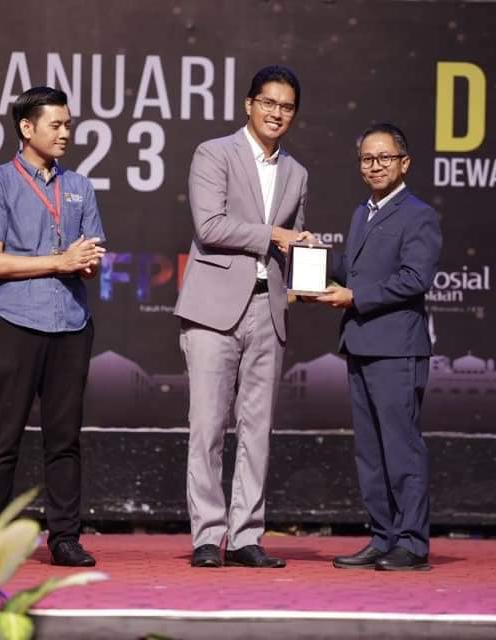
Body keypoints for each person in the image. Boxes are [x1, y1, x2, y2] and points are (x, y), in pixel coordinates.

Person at [174, 65, 312, 568]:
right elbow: (209, 226)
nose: (277, 113)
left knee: (257, 430)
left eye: (287, 107)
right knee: (208, 426)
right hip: (213, 309)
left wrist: (307, 262)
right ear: (249, 104)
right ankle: (208, 536)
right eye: (268, 103)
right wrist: (275, 235)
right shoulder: (214, 153)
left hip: (267, 309)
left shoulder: (297, 173)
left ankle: (247, 535)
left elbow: (292, 243)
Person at [0, 86, 106, 567]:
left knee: (64, 439)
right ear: (27, 128)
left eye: (68, 124)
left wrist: (86, 263)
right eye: (56, 124)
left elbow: (91, 260)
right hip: (15, 323)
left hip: (71, 325)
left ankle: (65, 537)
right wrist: (59, 261)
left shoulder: (80, 186)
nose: (65, 133)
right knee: (2, 439)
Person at [314, 123, 442, 571]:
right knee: (370, 452)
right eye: (368, 159)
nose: (375, 166)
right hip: (361, 343)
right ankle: (383, 537)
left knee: (401, 449)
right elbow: (353, 270)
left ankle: (412, 543)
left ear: (404, 163)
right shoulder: (361, 213)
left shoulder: (419, 215)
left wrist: (355, 298)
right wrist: (316, 253)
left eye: (384, 157)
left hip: (397, 349)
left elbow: (415, 278)